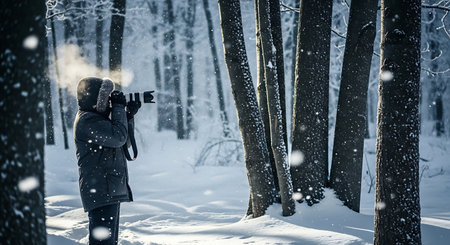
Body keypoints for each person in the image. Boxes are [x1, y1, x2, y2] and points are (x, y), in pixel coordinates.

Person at [73, 77, 141, 244]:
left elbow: (123, 142)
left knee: (109, 242)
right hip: (101, 190)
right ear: (94, 98)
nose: (109, 101)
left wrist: (128, 116)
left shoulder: (99, 120)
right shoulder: (88, 120)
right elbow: (118, 137)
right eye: (105, 97)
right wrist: (118, 108)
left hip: (108, 189)